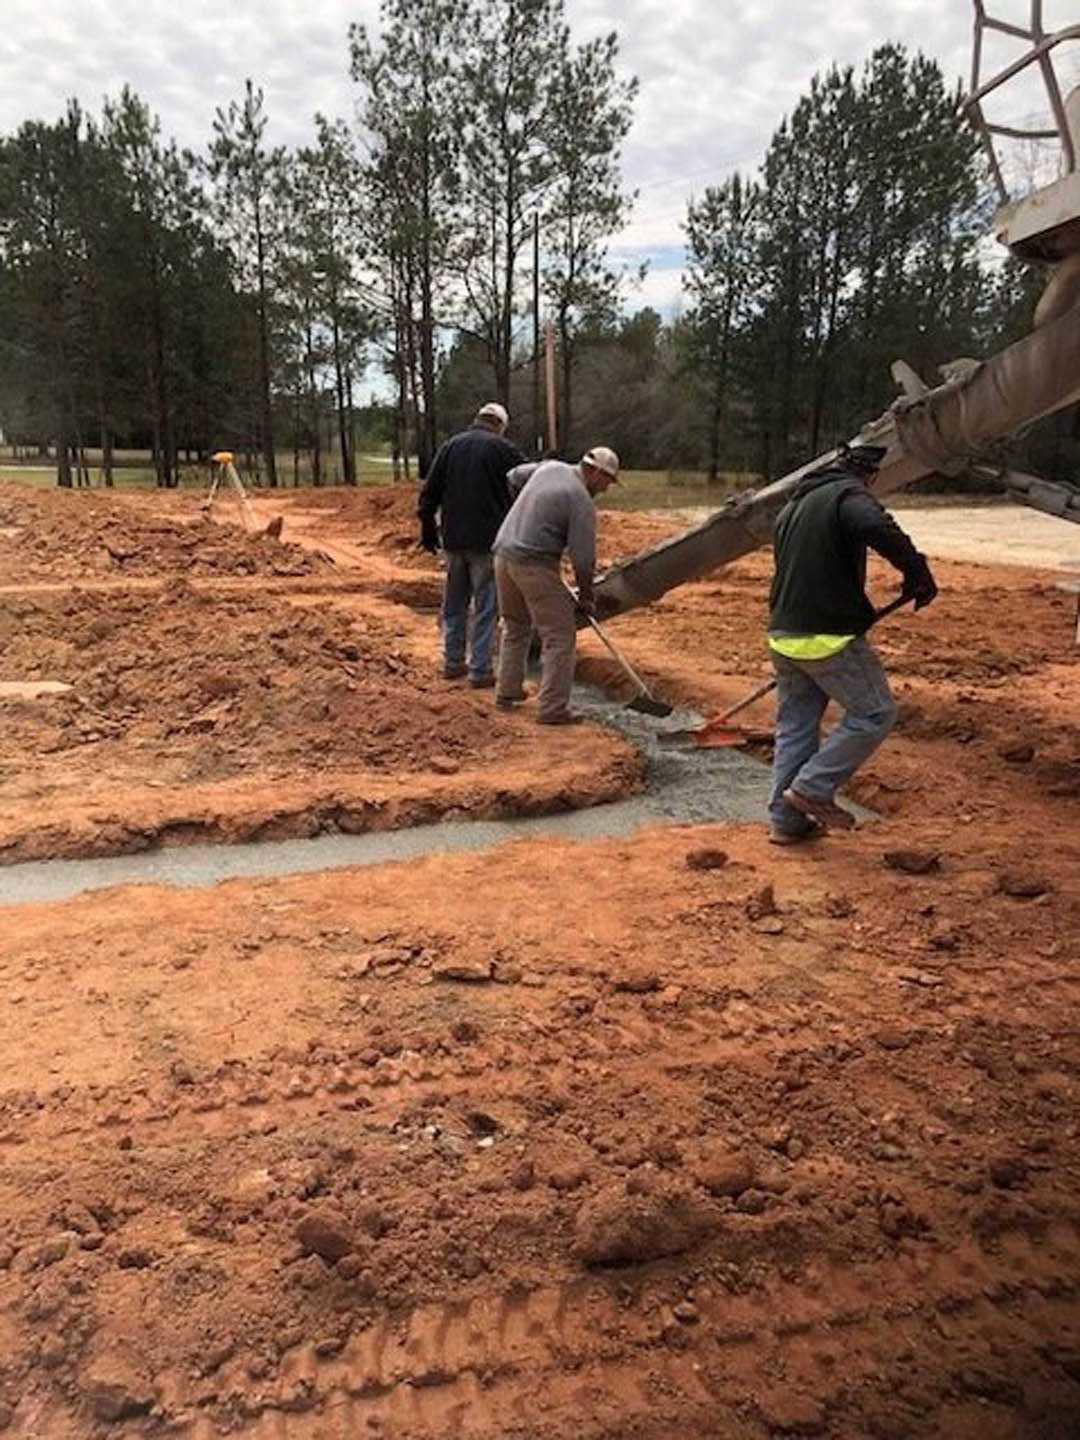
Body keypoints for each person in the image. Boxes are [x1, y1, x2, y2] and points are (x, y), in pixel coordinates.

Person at [766, 443, 938, 844]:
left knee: (795, 727)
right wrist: (918, 571)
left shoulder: (792, 508)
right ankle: (812, 787)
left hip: (783, 633)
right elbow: (875, 525)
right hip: (826, 634)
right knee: (874, 713)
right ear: (870, 477)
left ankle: (787, 821)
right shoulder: (848, 493)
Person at [492, 447, 620, 725]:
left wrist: (527, 514)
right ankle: (553, 708)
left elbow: (512, 477)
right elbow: (583, 559)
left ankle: (507, 691)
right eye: (607, 481)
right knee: (560, 636)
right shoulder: (580, 499)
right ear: (596, 472)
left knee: (515, 625)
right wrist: (587, 597)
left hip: (503, 555)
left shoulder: (549, 468)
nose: (606, 489)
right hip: (532, 562)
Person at [418, 402, 524, 687]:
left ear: (477, 419)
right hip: (487, 542)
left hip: (453, 540)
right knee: (487, 606)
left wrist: (428, 529)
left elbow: (429, 493)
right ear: (500, 426)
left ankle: (453, 662)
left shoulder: (451, 447)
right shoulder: (503, 450)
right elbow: (529, 483)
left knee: (454, 603)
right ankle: (480, 669)